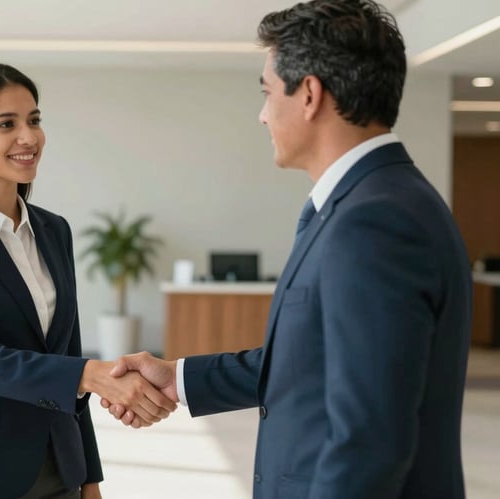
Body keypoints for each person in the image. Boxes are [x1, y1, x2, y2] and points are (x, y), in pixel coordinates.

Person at [103, 1, 473, 498]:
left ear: (309, 95)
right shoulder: (370, 202)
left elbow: (369, 440)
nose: (261, 115)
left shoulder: (374, 221)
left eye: (267, 92)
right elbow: (316, 366)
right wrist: (179, 378)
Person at [0, 62, 176, 499]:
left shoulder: (53, 230)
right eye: (6, 124)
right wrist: (91, 374)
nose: (28, 137)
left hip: (59, 470)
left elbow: (68, 351)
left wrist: (90, 477)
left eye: (34, 120)